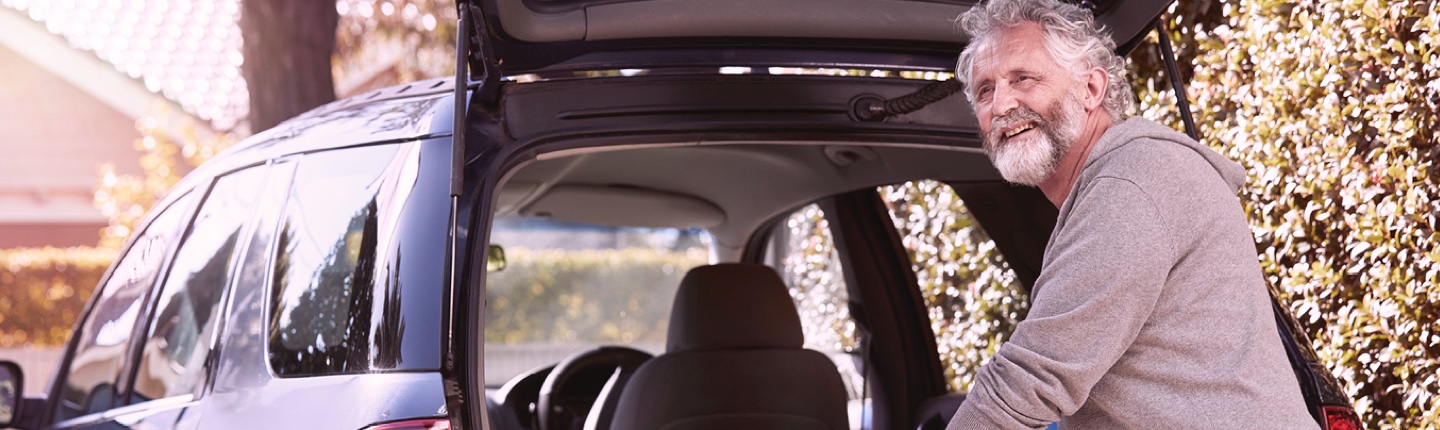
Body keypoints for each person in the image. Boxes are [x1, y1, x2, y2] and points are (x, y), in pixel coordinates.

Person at [945, 0, 1319, 428]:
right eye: (984, 91)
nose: (1001, 104)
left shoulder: (1131, 185)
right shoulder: (1122, 180)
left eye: (1023, 78)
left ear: (1090, 89)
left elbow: (1032, 378)